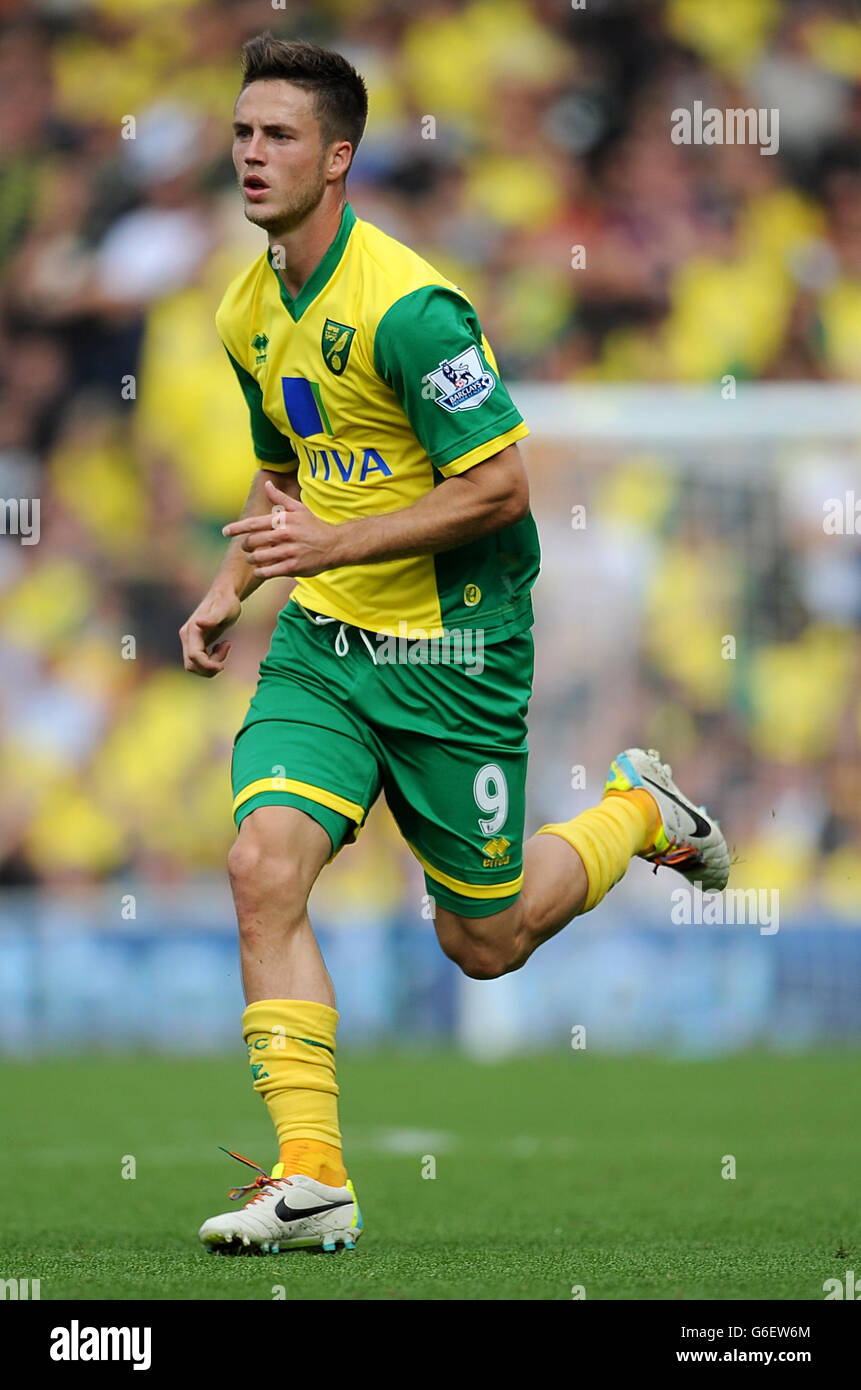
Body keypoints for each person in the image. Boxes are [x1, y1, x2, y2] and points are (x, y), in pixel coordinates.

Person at [179, 33, 729, 1255]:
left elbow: (504, 487)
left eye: (277, 136)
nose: (251, 153)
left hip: (453, 651)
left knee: (481, 941)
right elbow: (287, 466)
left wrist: (335, 544)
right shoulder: (245, 306)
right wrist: (232, 588)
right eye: (240, 131)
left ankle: (638, 811)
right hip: (326, 643)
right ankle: (311, 1177)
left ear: (339, 159)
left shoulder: (415, 310)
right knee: (261, 864)